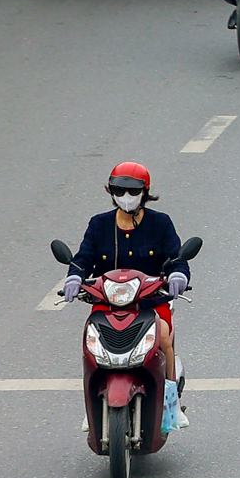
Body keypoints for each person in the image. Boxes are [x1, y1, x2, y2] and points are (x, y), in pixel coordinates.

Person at [62, 163, 191, 433]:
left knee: (163, 337)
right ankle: (93, 405)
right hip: (106, 303)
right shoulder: (99, 224)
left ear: (144, 192)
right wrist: (74, 276)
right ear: (112, 192)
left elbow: (175, 258)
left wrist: (178, 275)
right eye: (120, 190)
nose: (126, 196)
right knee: (92, 344)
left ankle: (171, 404)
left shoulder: (160, 223)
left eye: (132, 190)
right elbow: (84, 258)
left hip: (150, 301)